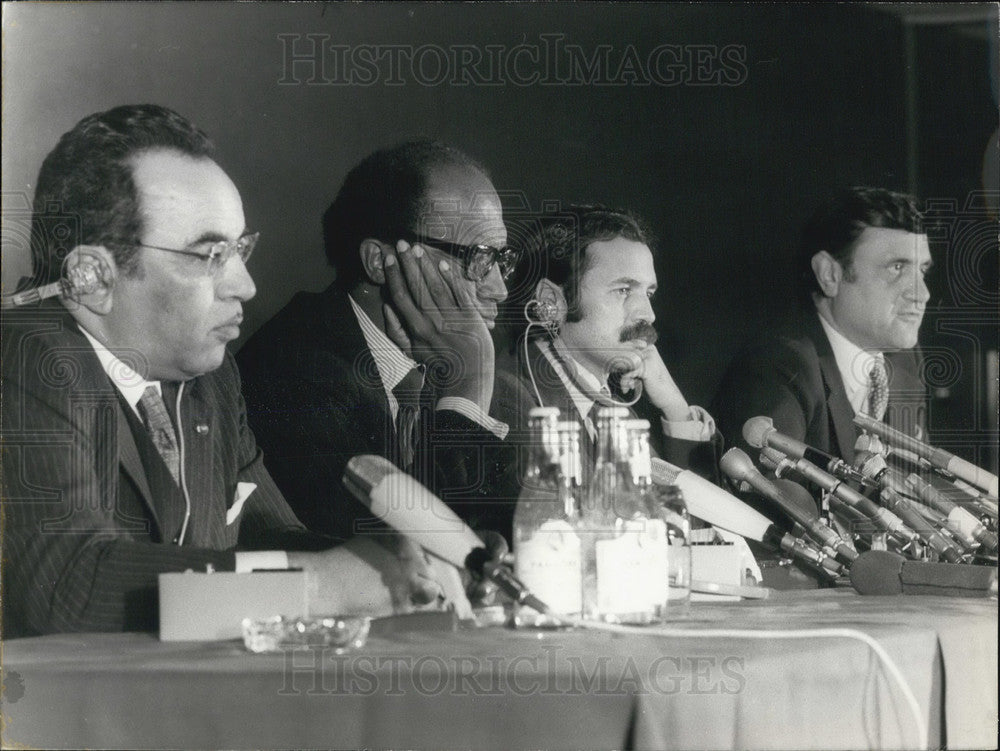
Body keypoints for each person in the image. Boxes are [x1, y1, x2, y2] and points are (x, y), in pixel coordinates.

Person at [1, 105, 468, 638]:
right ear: (91, 277)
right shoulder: (24, 357)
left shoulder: (212, 382)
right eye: (210, 254)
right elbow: (66, 587)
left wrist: (400, 566)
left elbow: (267, 536)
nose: (244, 285)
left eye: (241, 248)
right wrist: (316, 587)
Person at [237, 140, 517, 542]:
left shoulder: (437, 360)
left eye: (500, 260)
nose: (499, 288)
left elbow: (511, 540)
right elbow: (405, 557)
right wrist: (467, 389)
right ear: (378, 262)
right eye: (478, 259)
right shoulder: (292, 371)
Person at [711, 186, 930, 469]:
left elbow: (913, 488)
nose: (922, 293)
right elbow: (781, 506)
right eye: (897, 268)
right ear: (829, 274)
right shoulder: (778, 367)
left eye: (922, 270)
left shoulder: (903, 361)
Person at [493, 205, 720, 477]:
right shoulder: (509, 399)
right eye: (623, 290)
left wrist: (675, 407)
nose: (648, 314)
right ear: (550, 301)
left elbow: (692, 516)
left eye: (649, 293)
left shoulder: (613, 412)